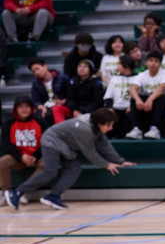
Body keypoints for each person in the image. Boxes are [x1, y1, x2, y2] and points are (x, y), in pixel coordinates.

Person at [5, 108, 134, 211]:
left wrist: (120, 161)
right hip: (51, 141)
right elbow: (90, 153)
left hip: (64, 146)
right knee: (51, 170)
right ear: (100, 123)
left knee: (74, 169)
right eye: (109, 125)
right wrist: (106, 165)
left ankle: (53, 196)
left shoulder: (95, 125)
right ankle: (16, 193)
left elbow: (104, 144)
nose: (111, 128)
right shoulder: (85, 129)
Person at [0, 96, 46, 202]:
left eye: (26, 106)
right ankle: (7, 193)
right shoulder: (9, 123)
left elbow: (46, 143)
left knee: (47, 164)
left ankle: (22, 191)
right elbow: (5, 145)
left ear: (31, 108)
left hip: (35, 157)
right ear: (15, 109)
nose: (24, 109)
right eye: (20, 107)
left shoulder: (40, 122)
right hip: (18, 157)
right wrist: (21, 156)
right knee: (2, 162)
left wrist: (35, 155)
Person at [126, 51, 165, 140]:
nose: (153, 63)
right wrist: (138, 100)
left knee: (161, 97)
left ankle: (155, 128)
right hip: (146, 106)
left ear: (160, 64)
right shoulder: (142, 75)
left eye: (156, 61)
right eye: (150, 60)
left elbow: (162, 88)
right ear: (146, 62)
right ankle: (136, 129)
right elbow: (132, 89)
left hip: (161, 103)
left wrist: (150, 99)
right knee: (135, 98)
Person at [102, 54, 138, 138]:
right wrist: (110, 108)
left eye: (119, 63)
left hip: (131, 108)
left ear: (126, 65)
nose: (117, 66)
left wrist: (131, 106)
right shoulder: (114, 79)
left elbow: (140, 95)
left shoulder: (138, 78)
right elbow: (108, 96)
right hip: (116, 108)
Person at [29, 58, 71, 125]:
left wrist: (63, 101)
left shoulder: (62, 78)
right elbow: (36, 101)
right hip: (47, 108)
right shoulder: (36, 84)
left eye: (37, 69)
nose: (36, 72)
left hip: (63, 106)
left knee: (55, 110)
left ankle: (61, 132)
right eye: (34, 71)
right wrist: (41, 107)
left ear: (45, 66)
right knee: (38, 116)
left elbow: (72, 95)